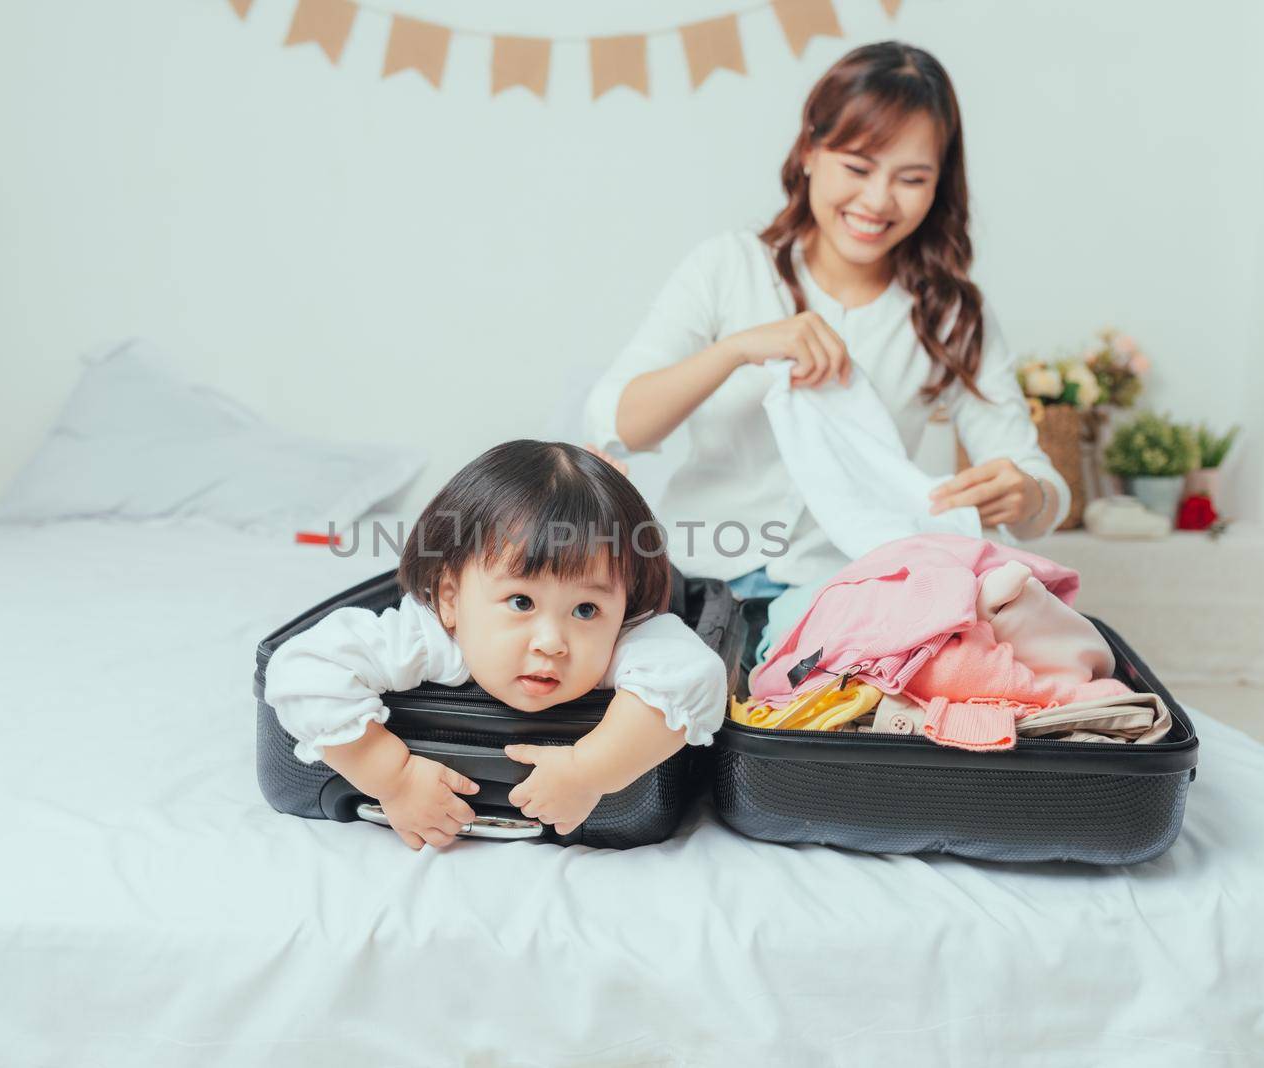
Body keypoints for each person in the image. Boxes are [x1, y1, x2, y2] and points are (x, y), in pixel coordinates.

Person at [582, 41, 1069, 661]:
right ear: (810, 151)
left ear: (940, 182)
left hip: (844, 600)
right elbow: (613, 423)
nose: (878, 201)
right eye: (859, 168)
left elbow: (1041, 488)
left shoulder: (951, 315)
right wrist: (737, 349)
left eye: (912, 178)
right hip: (690, 580)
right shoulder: (729, 269)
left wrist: (1028, 495)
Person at [263, 440, 728, 851]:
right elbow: (302, 669)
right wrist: (392, 776)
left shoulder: (623, 640)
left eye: (585, 610)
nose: (551, 643)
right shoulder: (429, 634)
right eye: (521, 601)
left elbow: (696, 675)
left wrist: (590, 770)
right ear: (450, 600)